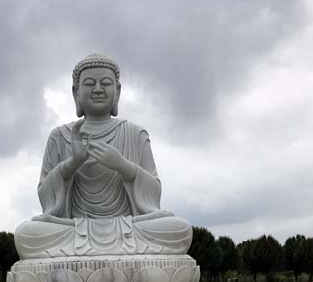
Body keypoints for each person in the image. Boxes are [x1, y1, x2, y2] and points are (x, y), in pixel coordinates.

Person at [14, 54, 192, 259]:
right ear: (76, 92)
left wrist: (123, 165)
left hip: (128, 228)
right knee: (25, 234)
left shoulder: (135, 134)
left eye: (105, 83)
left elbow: (154, 194)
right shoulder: (59, 136)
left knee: (180, 229)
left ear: (118, 91)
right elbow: (45, 199)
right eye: (89, 83)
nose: (98, 89)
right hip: (72, 229)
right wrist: (72, 163)